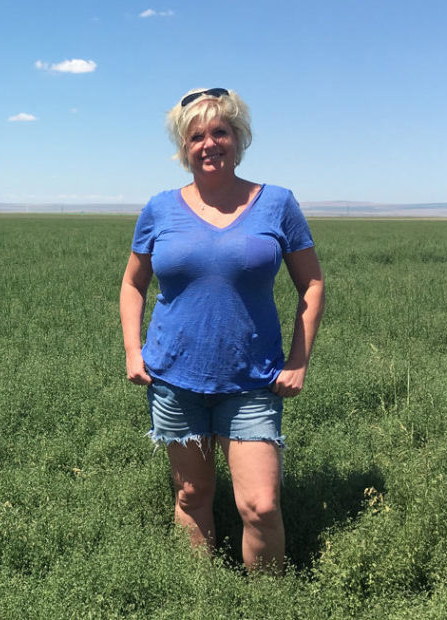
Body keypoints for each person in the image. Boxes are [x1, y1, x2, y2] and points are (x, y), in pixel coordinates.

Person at [119, 88, 324, 573]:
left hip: (253, 381)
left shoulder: (276, 204)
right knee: (192, 496)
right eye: (196, 136)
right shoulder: (159, 209)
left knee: (261, 506)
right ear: (183, 147)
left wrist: (298, 361)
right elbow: (132, 284)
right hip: (174, 379)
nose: (209, 144)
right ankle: (202, 595)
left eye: (220, 132)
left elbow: (311, 283)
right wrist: (133, 349)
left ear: (238, 138)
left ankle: (269, 603)